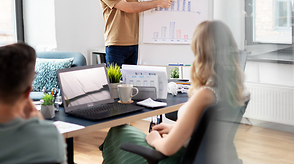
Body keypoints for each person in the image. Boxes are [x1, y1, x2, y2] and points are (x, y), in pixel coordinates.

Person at [99, 20, 246, 164]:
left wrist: (155, 139)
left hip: (177, 157)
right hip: (200, 154)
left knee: (118, 131)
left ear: (201, 52)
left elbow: (168, 148)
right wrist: (174, 128)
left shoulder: (204, 94)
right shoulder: (233, 90)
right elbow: (209, 131)